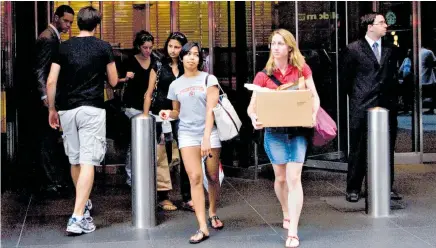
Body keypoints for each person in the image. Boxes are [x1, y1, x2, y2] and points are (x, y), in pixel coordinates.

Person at [46, 6, 118, 234]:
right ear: (97, 24)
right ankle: (77, 218)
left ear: (77, 22)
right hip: (92, 109)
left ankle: (83, 204)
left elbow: (50, 82)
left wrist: (52, 109)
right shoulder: (103, 47)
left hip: (67, 111)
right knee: (88, 162)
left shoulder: (63, 47)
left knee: (75, 160)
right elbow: (114, 81)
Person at [247, 29, 320, 248]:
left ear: (289, 47)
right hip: (274, 133)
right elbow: (252, 106)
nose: (275, 47)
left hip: (297, 131)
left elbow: (314, 97)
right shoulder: (263, 75)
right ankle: (285, 210)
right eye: (273, 43)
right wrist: (254, 119)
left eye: (280, 43)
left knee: (294, 178)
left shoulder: (301, 70)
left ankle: (294, 232)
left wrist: (312, 115)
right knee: (280, 178)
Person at [160, 42, 224, 244]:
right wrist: (168, 113)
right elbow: (177, 111)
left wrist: (205, 137)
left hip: (209, 133)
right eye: (188, 54)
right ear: (182, 57)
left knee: (212, 176)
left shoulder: (209, 79)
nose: (191, 58)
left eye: (196, 55)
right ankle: (202, 226)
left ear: (200, 58)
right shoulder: (175, 84)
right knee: (195, 177)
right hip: (187, 134)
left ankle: (212, 212)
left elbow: (210, 111)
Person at [341, 12, 401, 203]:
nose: (386, 26)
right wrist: (358, 97)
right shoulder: (354, 49)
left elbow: (392, 76)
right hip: (362, 105)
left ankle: (386, 186)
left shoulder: (391, 49)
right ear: (370, 27)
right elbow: (346, 79)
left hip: (386, 105)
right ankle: (354, 187)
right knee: (359, 147)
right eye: (381, 22)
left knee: (387, 147)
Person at [143, 32, 193, 212]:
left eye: (177, 47)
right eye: (170, 46)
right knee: (162, 156)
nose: (173, 50)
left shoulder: (186, 66)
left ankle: (188, 197)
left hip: (182, 115)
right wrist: (145, 116)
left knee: (186, 153)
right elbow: (149, 93)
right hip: (160, 115)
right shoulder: (158, 65)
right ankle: (163, 197)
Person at [32, 4, 74, 197]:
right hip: (48, 98)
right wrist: (44, 97)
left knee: (51, 139)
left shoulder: (52, 36)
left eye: (71, 22)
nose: (68, 25)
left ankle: (54, 180)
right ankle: (50, 182)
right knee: (47, 140)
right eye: (65, 21)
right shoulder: (47, 38)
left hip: (52, 96)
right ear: (56, 17)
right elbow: (40, 69)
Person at [120, 30, 156, 187]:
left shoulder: (155, 61)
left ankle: (148, 175)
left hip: (149, 106)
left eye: (150, 47)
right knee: (134, 143)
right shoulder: (129, 61)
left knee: (151, 142)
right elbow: (115, 80)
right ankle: (131, 177)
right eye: (145, 47)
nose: (148, 51)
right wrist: (125, 77)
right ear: (138, 47)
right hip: (132, 106)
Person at [420, 42, 436, 115]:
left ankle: (418, 109)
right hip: (427, 77)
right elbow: (434, 61)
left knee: (420, 95)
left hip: (419, 77)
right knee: (432, 94)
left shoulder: (415, 52)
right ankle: (431, 109)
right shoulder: (428, 52)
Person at [398, 49, 413, 114]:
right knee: (405, 94)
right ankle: (406, 108)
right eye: (408, 51)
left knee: (409, 94)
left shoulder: (414, 59)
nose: (408, 53)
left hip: (411, 79)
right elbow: (401, 69)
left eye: (410, 52)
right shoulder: (406, 59)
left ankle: (409, 108)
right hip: (405, 79)